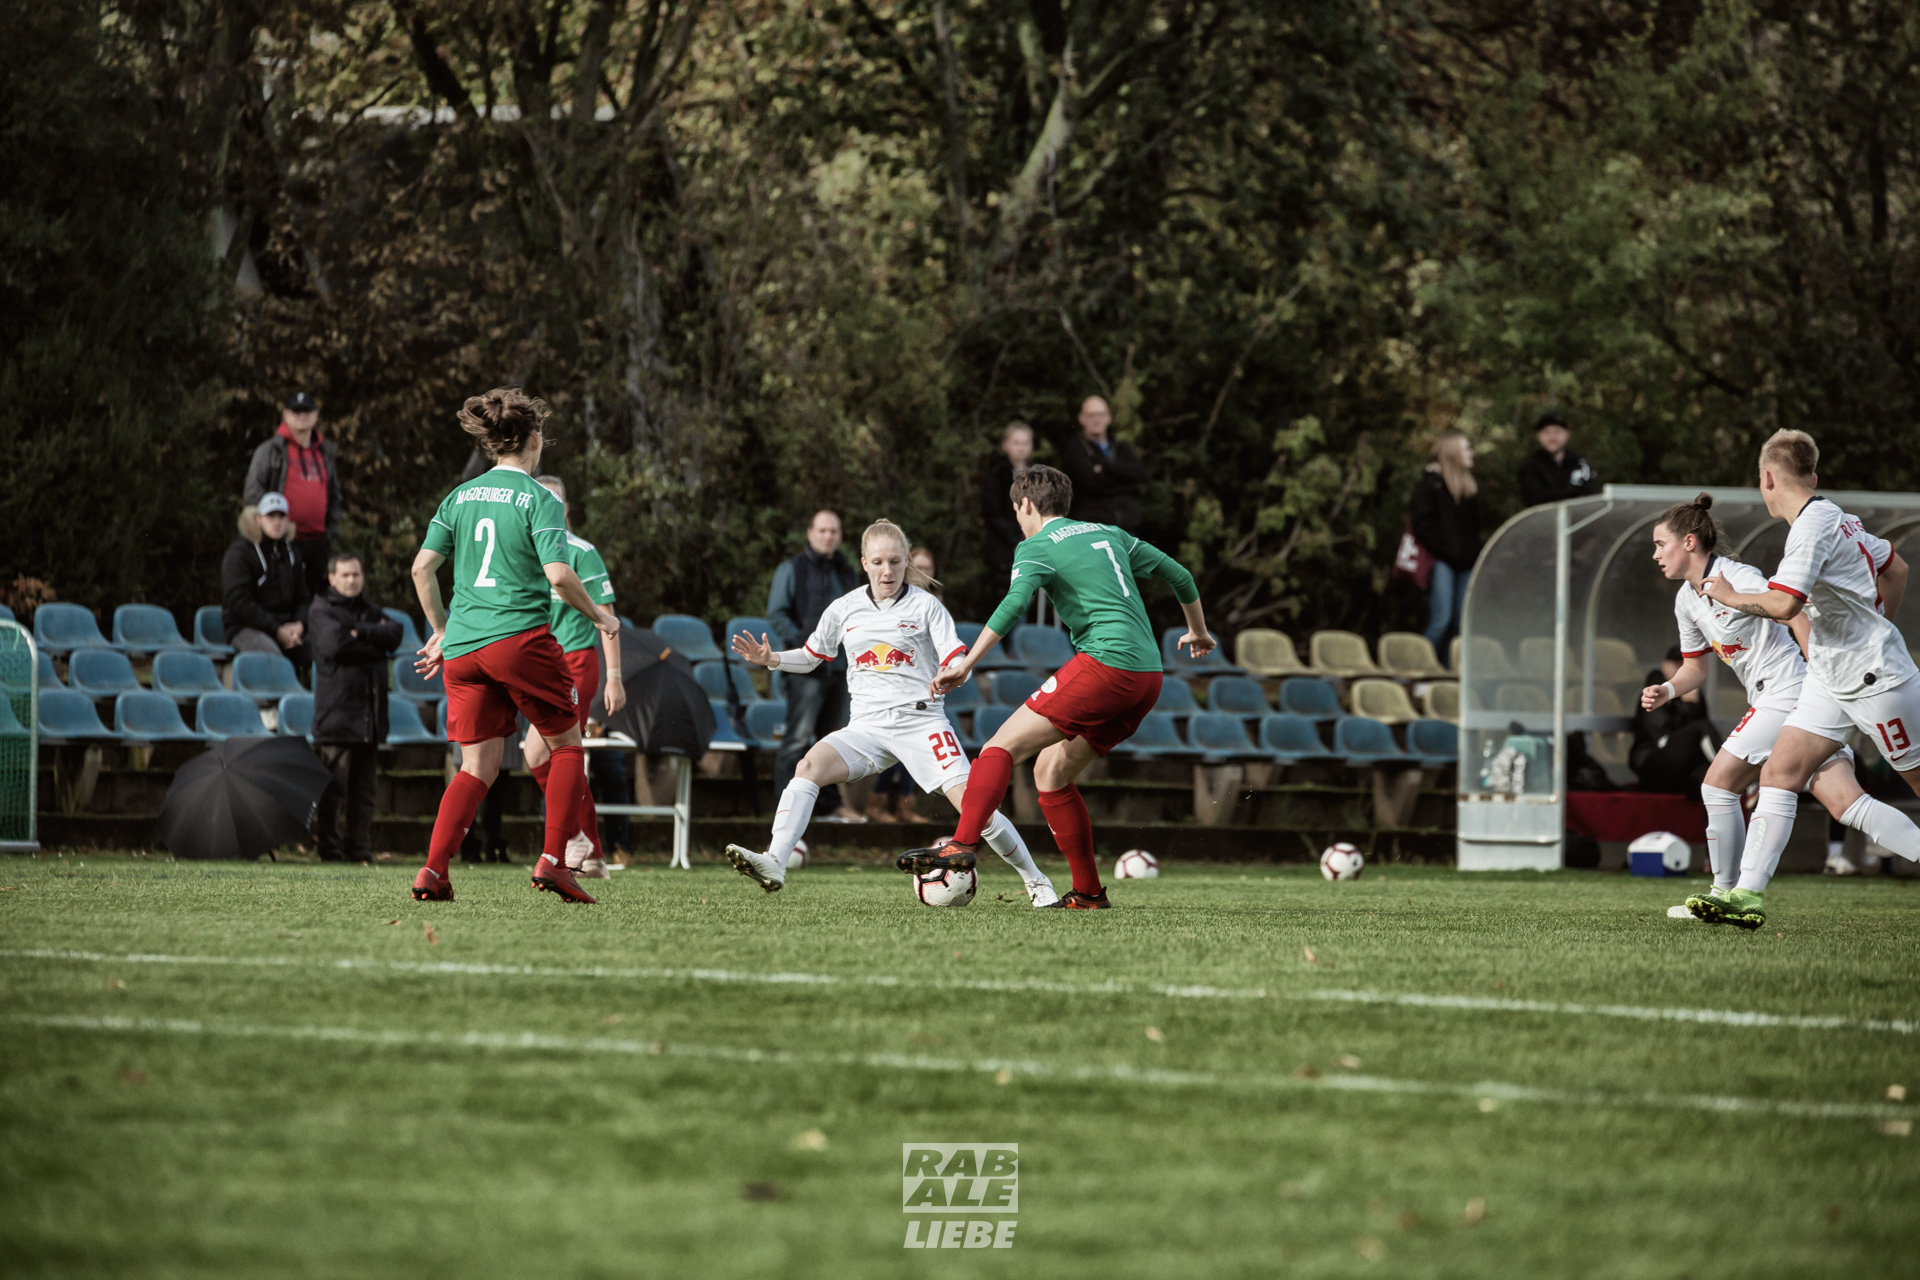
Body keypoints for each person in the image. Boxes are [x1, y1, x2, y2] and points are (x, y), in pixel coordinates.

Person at [900, 464, 1211, 909]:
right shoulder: (1110, 533)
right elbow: (1181, 576)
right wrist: (1197, 631)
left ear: (1025, 504)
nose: (1017, 519)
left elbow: (1014, 604)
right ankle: (1087, 892)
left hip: (1107, 664)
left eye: (1015, 510)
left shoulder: (1036, 545)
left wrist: (967, 663)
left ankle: (962, 844)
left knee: (998, 748)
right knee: (1050, 772)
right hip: (1148, 677)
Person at [723, 520, 1058, 906]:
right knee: (808, 767)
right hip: (866, 727)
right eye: (879, 562)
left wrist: (953, 672)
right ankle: (774, 862)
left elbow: (956, 656)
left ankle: (1036, 881)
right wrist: (772, 659)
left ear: (906, 562)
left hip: (922, 723)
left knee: (976, 810)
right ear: (864, 562)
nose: (887, 571)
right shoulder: (844, 608)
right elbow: (814, 655)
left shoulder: (925, 605)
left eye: (896, 562)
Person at [1694, 431, 1920, 927]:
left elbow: (1785, 604)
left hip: (1875, 679)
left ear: (1767, 479)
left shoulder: (1810, 526)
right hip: (1828, 674)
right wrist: (1876, 623)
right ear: (1813, 477)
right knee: (1780, 772)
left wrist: (1729, 596)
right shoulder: (1837, 516)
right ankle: (1745, 898)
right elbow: (1896, 568)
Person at [407, 387, 619, 904]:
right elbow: (560, 575)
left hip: (464, 649)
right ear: (530, 439)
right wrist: (600, 616)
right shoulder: (538, 497)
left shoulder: (460, 496)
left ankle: (433, 871)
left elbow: (421, 568)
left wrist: (441, 629)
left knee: (476, 766)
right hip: (518, 641)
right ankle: (554, 863)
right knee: (567, 744)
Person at [1639, 494, 1877, 921]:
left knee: (1717, 784)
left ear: (1689, 542)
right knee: (1846, 803)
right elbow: (1694, 670)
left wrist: (1821, 678)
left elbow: (1795, 614)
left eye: (1660, 544)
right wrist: (1668, 691)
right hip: (1777, 696)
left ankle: (1723, 893)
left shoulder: (1738, 576)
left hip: (1788, 691)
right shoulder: (1686, 600)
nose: (1655, 554)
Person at [518, 476, 626, 879]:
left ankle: (578, 840)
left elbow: (606, 618)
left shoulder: (581, 551)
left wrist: (614, 675)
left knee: (542, 753)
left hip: (576, 663)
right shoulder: (526, 549)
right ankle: (592, 853)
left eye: (554, 500)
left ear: (565, 508)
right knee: (560, 758)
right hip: (539, 664)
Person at [766, 510, 863, 822]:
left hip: (841, 668)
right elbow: (777, 615)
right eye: (822, 530)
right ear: (810, 533)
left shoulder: (847, 572)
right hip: (805, 669)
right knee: (797, 738)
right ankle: (785, 812)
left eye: (833, 531)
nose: (828, 536)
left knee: (833, 741)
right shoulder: (791, 569)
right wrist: (807, 647)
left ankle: (830, 808)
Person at [307, 552, 403, 863]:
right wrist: (376, 646)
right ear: (332, 578)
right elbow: (335, 645)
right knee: (334, 792)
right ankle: (331, 852)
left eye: (356, 575)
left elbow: (395, 633)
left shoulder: (368, 611)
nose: (352, 580)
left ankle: (360, 851)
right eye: (346, 575)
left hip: (370, 718)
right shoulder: (321, 611)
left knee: (364, 794)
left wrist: (360, 633)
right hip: (337, 716)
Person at [866, 545, 944, 823]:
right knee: (894, 750)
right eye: (919, 568)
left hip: (928, 685)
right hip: (894, 686)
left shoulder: (935, 603)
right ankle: (876, 805)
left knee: (915, 751)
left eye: (928, 569)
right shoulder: (894, 601)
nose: (924, 574)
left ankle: (905, 807)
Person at [244, 392, 342, 598]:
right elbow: (253, 493)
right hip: (284, 540)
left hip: (318, 542)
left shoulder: (325, 452)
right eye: (296, 411)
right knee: (284, 596)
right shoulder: (270, 450)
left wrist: (330, 531)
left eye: (307, 411)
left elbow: (334, 496)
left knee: (315, 599)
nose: (302, 416)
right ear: (285, 415)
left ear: (316, 416)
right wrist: (270, 530)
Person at [1407, 431, 1480, 652]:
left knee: (1460, 624)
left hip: (1465, 563)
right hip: (1443, 561)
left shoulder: (1469, 489)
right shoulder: (1433, 485)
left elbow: (1473, 530)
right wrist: (1444, 550)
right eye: (1466, 449)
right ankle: (1420, 671)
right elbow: (1421, 524)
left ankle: (1449, 675)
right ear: (1453, 454)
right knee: (1441, 619)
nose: (1471, 453)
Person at [220, 492, 313, 665]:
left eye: (281, 516)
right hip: (246, 628)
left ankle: (309, 691)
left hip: (287, 628)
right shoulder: (239, 554)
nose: (277, 522)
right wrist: (276, 629)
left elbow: (303, 598)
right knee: (273, 659)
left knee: (323, 650)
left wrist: (300, 624)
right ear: (258, 519)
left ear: (287, 521)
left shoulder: (292, 553)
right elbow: (238, 602)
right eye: (271, 516)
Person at [1053, 395, 1147, 532]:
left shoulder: (1121, 447)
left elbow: (1141, 473)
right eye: (1090, 415)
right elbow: (1090, 482)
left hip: (1126, 526)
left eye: (1101, 415)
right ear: (1081, 418)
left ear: (1109, 417)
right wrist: (1124, 480)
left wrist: (1106, 467)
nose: (1096, 420)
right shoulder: (1075, 449)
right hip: (1092, 527)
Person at [1629, 646, 1715, 794]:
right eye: (1677, 664)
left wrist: (1692, 704)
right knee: (1701, 727)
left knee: (1705, 778)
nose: (1681, 669)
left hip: (1682, 767)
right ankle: (1730, 769)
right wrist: (1688, 705)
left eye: (1685, 664)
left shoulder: (1694, 693)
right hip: (1652, 762)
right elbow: (1661, 736)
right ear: (1665, 665)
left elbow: (1703, 738)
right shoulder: (1654, 691)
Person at [981, 422, 1034, 589]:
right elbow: (993, 513)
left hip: (1030, 542)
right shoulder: (996, 475)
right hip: (1003, 548)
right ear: (1005, 445)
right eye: (1016, 443)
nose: (1021, 448)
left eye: (1025, 443)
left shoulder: (1038, 475)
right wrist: (1015, 540)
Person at [1517, 412, 1599, 508]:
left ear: (1567, 434)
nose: (1552, 437)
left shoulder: (1579, 464)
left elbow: (1592, 496)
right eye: (1546, 432)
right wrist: (1573, 492)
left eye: (1557, 432)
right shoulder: (1530, 466)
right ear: (1538, 436)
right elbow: (1535, 498)